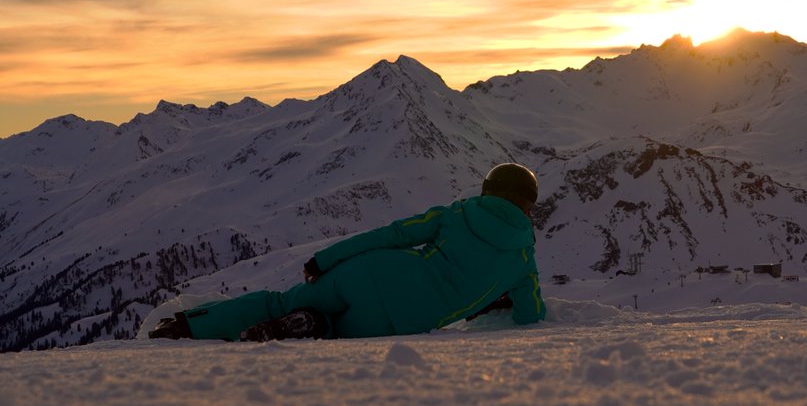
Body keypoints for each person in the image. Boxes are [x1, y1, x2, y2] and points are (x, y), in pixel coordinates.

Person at [149, 163, 546, 341]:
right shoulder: (522, 263)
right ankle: (315, 327)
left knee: (277, 301)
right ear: (528, 205)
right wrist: (497, 296)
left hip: (372, 270)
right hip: (405, 317)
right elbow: (532, 317)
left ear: (487, 189)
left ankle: (186, 327)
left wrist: (323, 259)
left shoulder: (455, 213)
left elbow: (389, 235)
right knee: (336, 334)